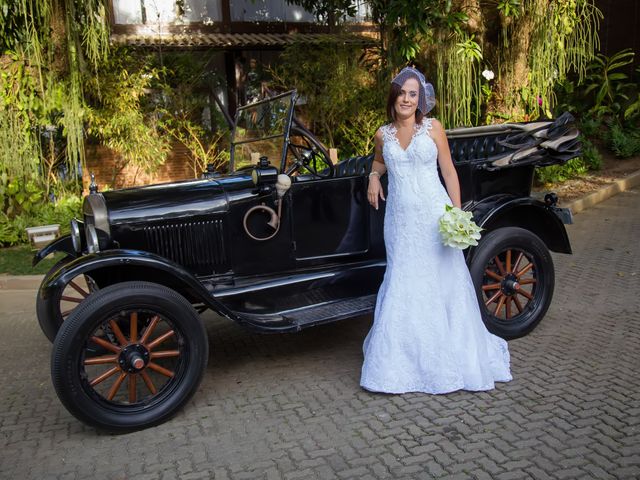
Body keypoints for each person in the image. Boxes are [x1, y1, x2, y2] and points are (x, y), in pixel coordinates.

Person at [361, 67, 512, 394]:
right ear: (394, 96)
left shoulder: (433, 128)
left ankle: (450, 356)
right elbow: (378, 162)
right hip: (400, 222)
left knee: (442, 280)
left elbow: (448, 170)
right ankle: (398, 363)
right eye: (402, 92)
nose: (406, 99)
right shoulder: (381, 134)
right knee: (402, 279)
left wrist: (457, 214)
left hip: (433, 216)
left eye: (412, 94)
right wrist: (373, 178)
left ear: (420, 100)